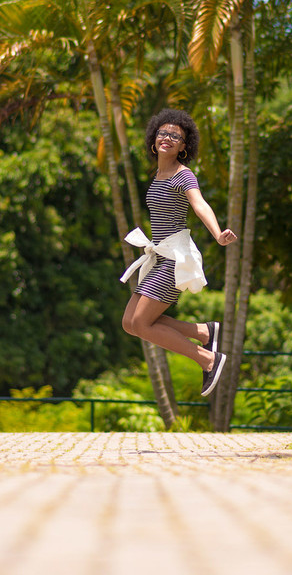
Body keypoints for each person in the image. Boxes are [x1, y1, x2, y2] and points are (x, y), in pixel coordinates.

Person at [120, 108, 237, 398]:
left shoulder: (184, 176)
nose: (168, 138)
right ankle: (203, 332)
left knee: (142, 324)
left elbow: (199, 204)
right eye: (163, 132)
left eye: (176, 136)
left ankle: (208, 358)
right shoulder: (160, 173)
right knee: (129, 323)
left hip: (174, 260)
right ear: (154, 138)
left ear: (184, 146)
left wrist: (217, 233)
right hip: (159, 256)